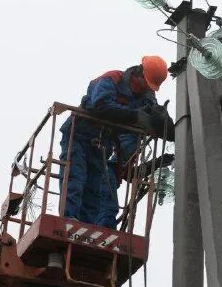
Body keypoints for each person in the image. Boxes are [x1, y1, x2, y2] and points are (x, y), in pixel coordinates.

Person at [58, 55, 174, 229]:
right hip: (79, 135)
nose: (148, 90)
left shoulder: (146, 95)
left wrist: (165, 123)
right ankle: (70, 220)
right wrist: (135, 116)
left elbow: (153, 118)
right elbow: (101, 105)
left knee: (94, 188)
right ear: (139, 74)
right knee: (76, 177)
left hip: (102, 143)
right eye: (148, 84)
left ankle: (87, 227)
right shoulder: (111, 79)